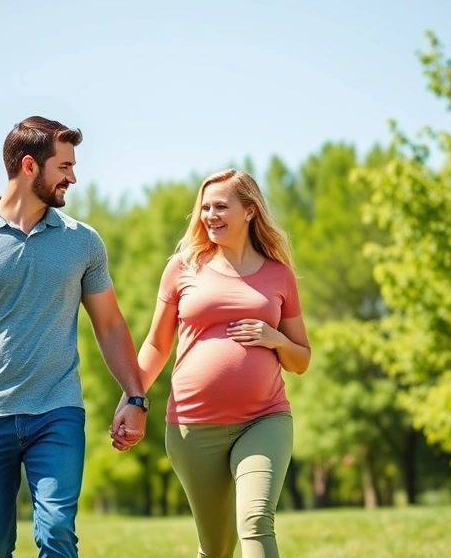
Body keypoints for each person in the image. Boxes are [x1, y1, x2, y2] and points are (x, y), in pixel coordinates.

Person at [0, 115, 148, 558]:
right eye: (64, 167)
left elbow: (111, 325)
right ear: (29, 166)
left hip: (56, 411)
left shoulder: (83, 243)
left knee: (58, 532)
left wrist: (135, 397)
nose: (73, 178)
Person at [112, 168, 311, 558]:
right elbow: (156, 344)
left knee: (255, 521)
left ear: (250, 211)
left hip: (264, 418)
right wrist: (131, 399)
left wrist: (275, 338)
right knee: (217, 547)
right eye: (205, 207)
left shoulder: (279, 275)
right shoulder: (183, 267)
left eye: (221, 206)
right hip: (192, 426)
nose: (210, 215)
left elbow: (301, 359)